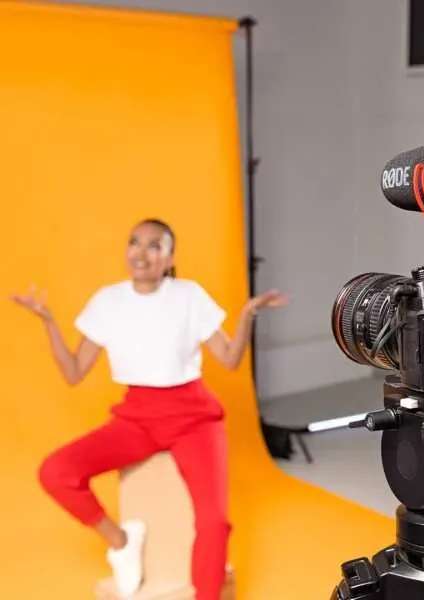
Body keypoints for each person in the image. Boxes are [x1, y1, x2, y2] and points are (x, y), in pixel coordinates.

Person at [10, 218, 289, 600]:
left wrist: (247, 314)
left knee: (213, 521)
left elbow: (229, 358)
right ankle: (121, 543)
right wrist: (49, 323)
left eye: (155, 246)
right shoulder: (108, 301)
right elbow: (73, 372)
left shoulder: (188, 295)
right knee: (55, 472)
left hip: (194, 418)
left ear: (170, 258)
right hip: (137, 418)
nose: (141, 253)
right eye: (135, 242)